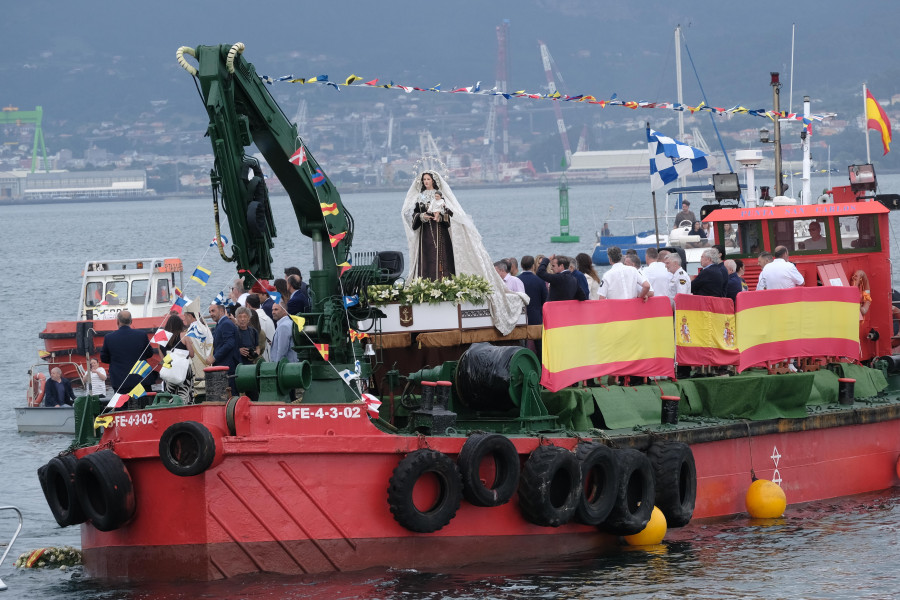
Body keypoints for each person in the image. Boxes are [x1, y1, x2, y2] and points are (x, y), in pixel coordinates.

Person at [407, 172, 455, 280]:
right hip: (425, 232)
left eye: (428, 179)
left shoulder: (440, 195)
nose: (426, 181)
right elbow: (413, 214)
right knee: (427, 256)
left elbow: (448, 213)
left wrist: (440, 218)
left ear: (433, 180)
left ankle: (444, 285)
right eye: (424, 179)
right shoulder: (420, 196)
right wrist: (422, 216)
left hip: (440, 231)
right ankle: (426, 286)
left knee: (440, 256)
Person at [100, 310, 154, 394]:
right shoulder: (142, 335)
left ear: (117, 321)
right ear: (131, 321)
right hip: (141, 379)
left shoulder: (109, 337)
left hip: (120, 381)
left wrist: (115, 360)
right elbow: (150, 353)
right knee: (144, 405)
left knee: (121, 406)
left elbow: (104, 358)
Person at [209, 301, 242, 394]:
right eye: (210, 312)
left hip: (228, 367)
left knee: (230, 395)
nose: (211, 314)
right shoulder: (221, 324)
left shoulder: (225, 324)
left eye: (213, 311)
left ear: (221, 311)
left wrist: (214, 358)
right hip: (224, 366)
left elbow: (229, 344)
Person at [160, 314, 194, 402]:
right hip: (183, 369)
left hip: (169, 369)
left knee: (170, 394)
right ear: (180, 324)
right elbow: (191, 354)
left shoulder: (163, 338)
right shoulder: (184, 336)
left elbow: (163, 358)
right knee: (184, 394)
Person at [183, 302, 212, 393]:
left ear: (190, 316)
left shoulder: (192, 330)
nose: (184, 319)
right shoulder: (204, 327)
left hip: (197, 362)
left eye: (185, 316)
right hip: (208, 360)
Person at [518, 255, 548, 325]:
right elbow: (545, 300)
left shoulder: (516, 280)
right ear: (533, 266)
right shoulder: (540, 281)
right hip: (536, 317)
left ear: (521, 265)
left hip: (520, 317)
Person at [247, 294, 275, 360]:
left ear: (248, 305)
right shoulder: (268, 318)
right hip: (271, 355)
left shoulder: (256, 319)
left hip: (262, 356)